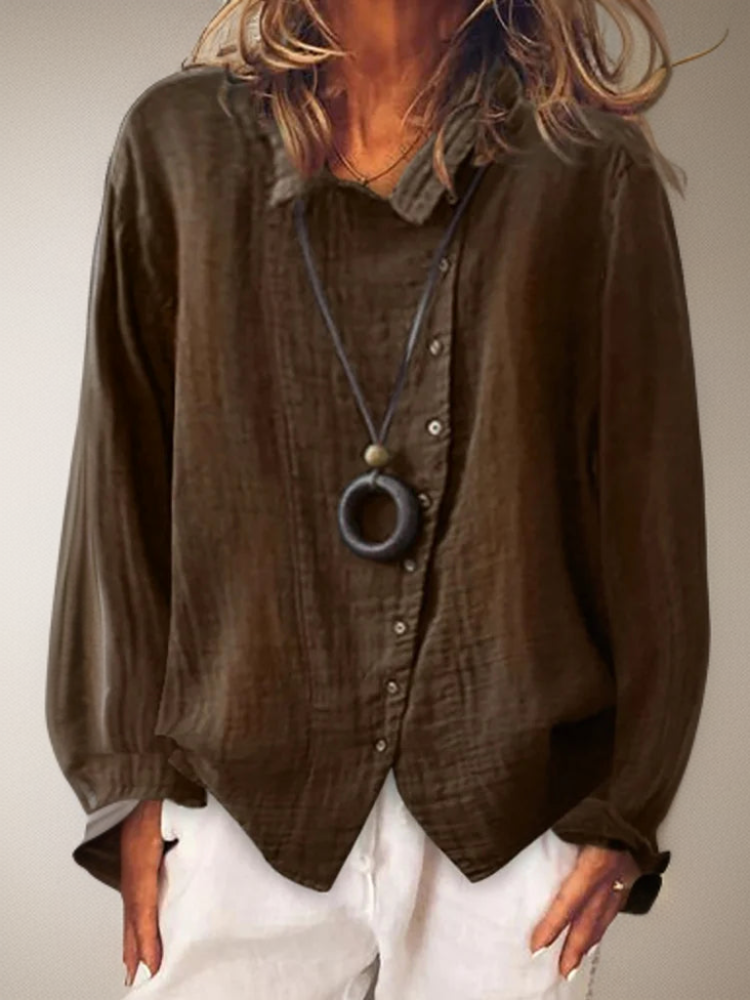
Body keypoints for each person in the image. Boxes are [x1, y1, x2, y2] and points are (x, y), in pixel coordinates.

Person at [45, 1, 712, 998]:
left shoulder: (586, 171)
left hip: (509, 809)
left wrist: (625, 810)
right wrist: (125, 779)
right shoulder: (176, 148)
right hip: (236, 798)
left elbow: (652, 524)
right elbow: (118, 480)